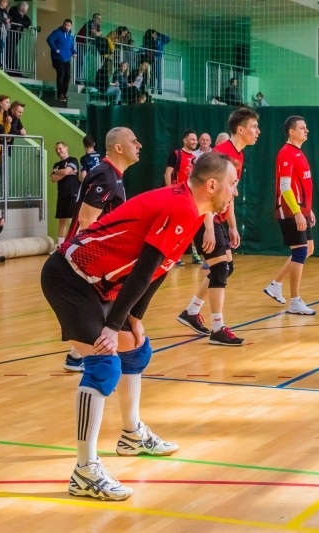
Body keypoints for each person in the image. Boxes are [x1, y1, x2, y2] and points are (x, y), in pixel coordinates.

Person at [41, 152, 238, 501]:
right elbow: (145, 269)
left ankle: (132, 435)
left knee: (135, 347)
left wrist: (133, 319)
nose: (235, 191)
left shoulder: (191, 209)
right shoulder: (179, 207)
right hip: (69, 278)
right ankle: (84, 471)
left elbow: (158, 272)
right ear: (212, 185)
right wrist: (112, 323)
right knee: (104, 365)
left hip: (99, 284)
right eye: (232, 183)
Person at [177, 108, 260, 346]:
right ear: (241, 129)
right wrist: (210, 226)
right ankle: (217, 328)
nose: (258, 131)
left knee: (225, 267)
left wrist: (232, 226)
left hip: (217, 217)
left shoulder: (239, 156)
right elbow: (204, 192)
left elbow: (228, 193)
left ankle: (192, 312)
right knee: (221, 269)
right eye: (254, 127)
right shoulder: (220, 155)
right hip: (203, 217)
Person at [63, 127, 141, 371]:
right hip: (86, 258)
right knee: (106, 311)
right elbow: (87, 220)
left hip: (92, 258)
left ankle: (77, 356)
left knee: (104, 309)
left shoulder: (113, 174)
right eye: (134, 141)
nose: (139, 145)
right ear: (118, 148)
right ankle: (98, 363)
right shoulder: (106, 175)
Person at [263, 116, 316, 315]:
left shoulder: (299, 153)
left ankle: (275, 284)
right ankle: (295, 300)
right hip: (289, 210)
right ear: (291, 131)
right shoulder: (286, 153)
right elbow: (285, 187)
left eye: (306, 127)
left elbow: (300, 185)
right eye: (302, 128)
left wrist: (307, 209)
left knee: (308, 248)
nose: (306, 130)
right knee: (300, 251)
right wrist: (296, 212)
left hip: (301, 209)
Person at [164, 130, 198, 266]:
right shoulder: (176, 154)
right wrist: (170, 192)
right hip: (178, 195)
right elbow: (167, 174)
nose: (195, 142)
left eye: (196, 139)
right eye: (192, 139)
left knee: (192, 225)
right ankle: (173, 255)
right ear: (185, 140)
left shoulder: (196, 158)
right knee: (175, 225)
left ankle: (195, 253)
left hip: (191, 196)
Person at [50, 142, 80, 245]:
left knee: (73, 221)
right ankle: (60, 246)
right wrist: (65, 173)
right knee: (62, 221)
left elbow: (66, 171)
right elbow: (53, 179)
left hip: (73, 194)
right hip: (62, 195)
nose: (58, 151)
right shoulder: (56, 165)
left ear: (66, 148)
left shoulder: (73, 160)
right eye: (56, 150)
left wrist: (58, 172)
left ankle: (73, 245)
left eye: (60, 148)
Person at [46, 19, 77, 101]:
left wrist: (74, 52)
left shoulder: (71, 36)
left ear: (71, 27)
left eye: (68, 25)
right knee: (61, 73)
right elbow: (49, 39)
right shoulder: (57, 32)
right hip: (57, 58)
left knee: (68, 76)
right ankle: (60, 94)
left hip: (66, 59)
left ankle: (64, 93)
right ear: (63, 25)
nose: (66, 27)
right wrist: (55, 49)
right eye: (65, 25)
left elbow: (71, 47)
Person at [7, 1, 31, 76]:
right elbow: (18, 20)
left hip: (15, 38)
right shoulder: (13, 10)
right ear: (23, 8)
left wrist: (22, 23)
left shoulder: (23, 15)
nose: (27, 10)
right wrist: (23, 23)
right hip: (9, 36)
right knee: (10, 53)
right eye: (26, 9)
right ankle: (12, 71)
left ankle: (15, 71)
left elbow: (29, 22)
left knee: (13, 53)